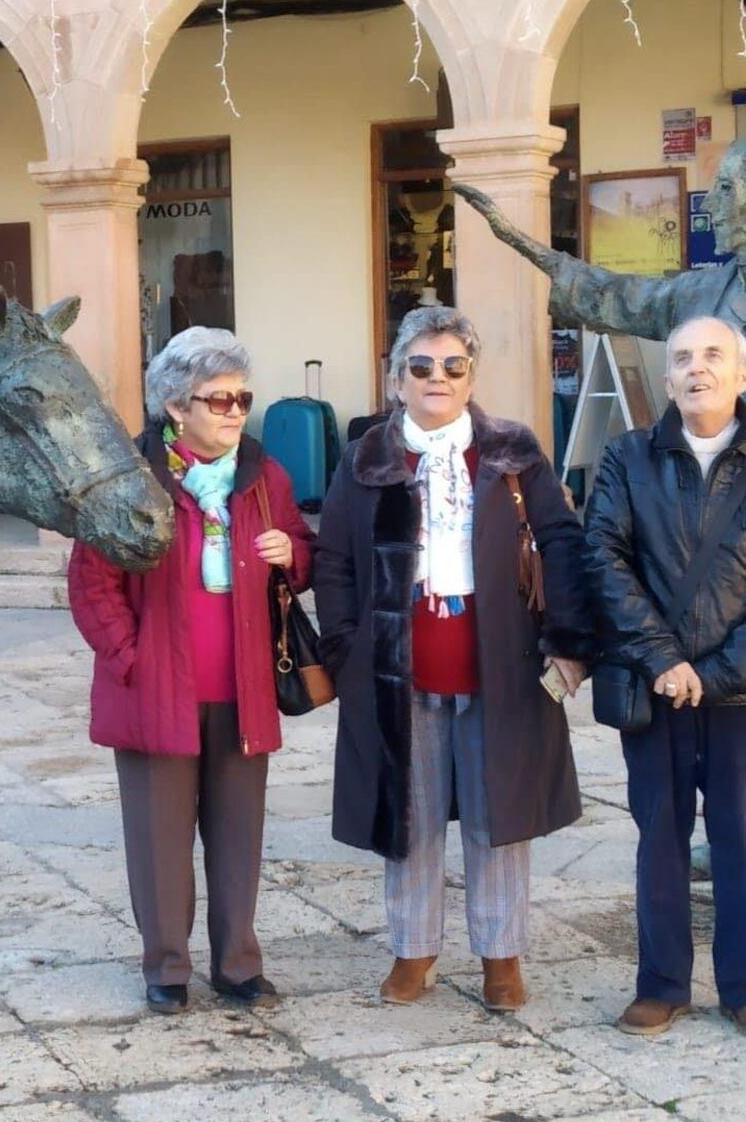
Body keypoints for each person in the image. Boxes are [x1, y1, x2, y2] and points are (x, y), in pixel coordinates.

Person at [314, 306, 595, 1012]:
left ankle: (501, 955)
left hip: (501, 662)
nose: (437, 378)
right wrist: (348, 650)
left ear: (471, 377)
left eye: (452, 366)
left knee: (498, 816)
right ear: (394, 379)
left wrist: (566, 640)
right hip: (397, 667)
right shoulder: (366, 457)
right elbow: (336, 561)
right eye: (421, 366)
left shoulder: (513, 451)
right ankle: (414, 951)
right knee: (408, 816)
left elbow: (561, 543)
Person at [68, 327, 313, 1015]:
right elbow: (92, 586)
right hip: (156, 692)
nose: (236, 412)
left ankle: (238, 965)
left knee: (239, 838)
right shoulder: (128, 480)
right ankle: (167, 969)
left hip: (244, 688)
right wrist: (132, 660)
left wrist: (287, 552)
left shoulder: (267, 479)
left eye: (243, 398)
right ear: (177, 406)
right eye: (220, 399)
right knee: (159, 842)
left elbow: (304, 550)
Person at [584, 314, 746, 1037]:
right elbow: (604, 559)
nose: (696, 368)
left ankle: (740, 987)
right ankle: (662, 983)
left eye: (713, 355)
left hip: (738, 692)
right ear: (667, 375)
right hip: (655, 687)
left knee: (743, 839)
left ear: (740, 372)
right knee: (660, 840)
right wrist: (665, 660)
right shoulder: (627, 457)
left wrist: (708, 674)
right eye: (682, 357)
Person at [455, 139, 746, 343]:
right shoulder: (703, 292)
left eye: (725, 188)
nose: (709, 203)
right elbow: (619, 294)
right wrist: (517, 240)